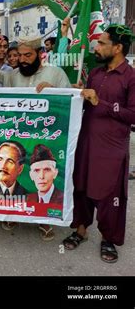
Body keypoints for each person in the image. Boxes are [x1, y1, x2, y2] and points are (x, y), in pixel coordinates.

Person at [62, 24, 135, 263]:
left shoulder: (131, 77)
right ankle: (80, 230)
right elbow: (86, 103)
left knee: (108, 195)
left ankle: (108, 239)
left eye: (102, 43)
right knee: (81, 187)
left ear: (118, 47)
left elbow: (132, 115)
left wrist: (99, 102)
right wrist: (77, 94)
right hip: (87, 142)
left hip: (112, 149)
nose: (97, 46)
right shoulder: (96, 73)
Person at [0, 36, 71, 91]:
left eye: (28, 55)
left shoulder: (56, 73)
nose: (22, 60)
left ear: (40, 54)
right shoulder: (12, 76)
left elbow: (69, 100)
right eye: (19, 55)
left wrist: (53, 91)